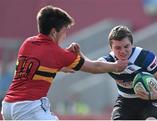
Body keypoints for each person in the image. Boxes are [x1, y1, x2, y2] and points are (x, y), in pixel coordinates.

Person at [0, 6, 128, 120]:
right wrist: (116, 66)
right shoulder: (57, 53)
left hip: (8, 107)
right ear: (54, 32)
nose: (66, 35)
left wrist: (61, 66)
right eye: (65, 30)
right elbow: (94, 67)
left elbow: (35, 66)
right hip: (29, 108)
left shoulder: (27, 43)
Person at [97, 25, 157, 120]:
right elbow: (90, 65)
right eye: (118, 48)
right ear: (111, 48)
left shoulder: (145, 57)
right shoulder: (108, 61)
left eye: (126, 46)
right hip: (125, 101)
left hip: (149, 100)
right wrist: (78, 56)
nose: (123, 51)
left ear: (132, 44)